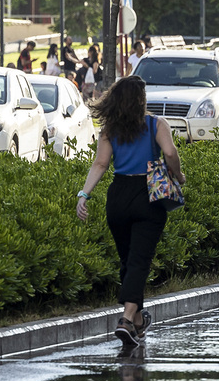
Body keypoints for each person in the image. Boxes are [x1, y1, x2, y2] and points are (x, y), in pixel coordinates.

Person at [76, 76, 185, 348]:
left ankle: (136, 322)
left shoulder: (110, 129)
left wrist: (84, 194)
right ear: (140, 99)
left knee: (128, 260)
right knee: (139, 261)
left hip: (118, 196)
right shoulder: (156, 124)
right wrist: (178, 174)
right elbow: (170, 153)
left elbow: (100, 164)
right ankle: (125, 320)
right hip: (149, 194)